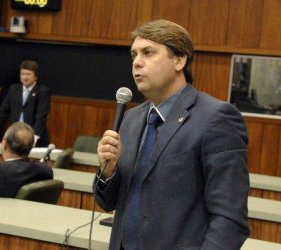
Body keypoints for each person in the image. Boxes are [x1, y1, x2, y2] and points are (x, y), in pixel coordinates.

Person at [94, 19, 250, 250]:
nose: (137, 62)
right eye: (134, 55)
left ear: (179, 60)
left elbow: (230, 219)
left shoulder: (216, 118)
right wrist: (108, 171)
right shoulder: (131, 119)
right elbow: (108, 203)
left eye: (148, 53)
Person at [0, 60, 51, 147]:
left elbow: (41, 116)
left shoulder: (42, 91)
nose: (25, 77)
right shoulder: (14, 89)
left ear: (35, 77)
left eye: (28, 74)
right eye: (22, 74)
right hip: (14, 137)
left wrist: (34, 138)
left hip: (35, 139)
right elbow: (2, 111)